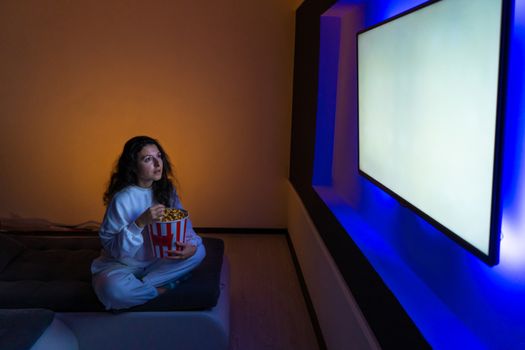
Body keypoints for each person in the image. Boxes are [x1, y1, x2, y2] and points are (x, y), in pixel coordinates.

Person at [91, 136, 205, 310]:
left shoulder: (167, 189)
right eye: (147, 159)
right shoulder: (122, 199)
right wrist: (140, 222)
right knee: (112, 291)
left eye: (159, 156)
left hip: (157, 261)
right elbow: (113, 249)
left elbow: (184, 225)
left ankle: (143, 285)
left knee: (200, 251)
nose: (158, 164)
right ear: (134, 167)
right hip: (123, 264)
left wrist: (191, 246)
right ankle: (162, 289)